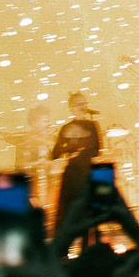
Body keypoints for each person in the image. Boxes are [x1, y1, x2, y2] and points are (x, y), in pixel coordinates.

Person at [49, 94, 104, 242]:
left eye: (84, 103)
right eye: (78, 104)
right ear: (71, 108)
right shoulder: (66, 128)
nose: (82, 106)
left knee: (87, 212)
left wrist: (80, 150)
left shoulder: (92, 125)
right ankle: (62, 251)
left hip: (87, 173)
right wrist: (67, 148)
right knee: (65, 213)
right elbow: (54, 153)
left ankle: (86, 250)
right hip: (71, 175)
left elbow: (97, 149)